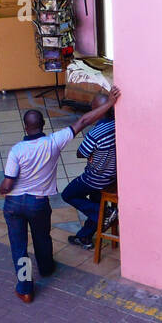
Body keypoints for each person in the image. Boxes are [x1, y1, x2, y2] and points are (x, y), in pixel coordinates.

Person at [0, 90, 119, 302]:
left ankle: (26, 288)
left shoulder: (16, 150)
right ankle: (46, 268)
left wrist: (4, 189)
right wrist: (110, 103)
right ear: (43, 124)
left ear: (25, 127)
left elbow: (7, 184)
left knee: (19, 247)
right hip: (38, 204)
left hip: (14, 204)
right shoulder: (54, 141)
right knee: (41, 237)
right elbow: (83, 121)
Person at [63, 90, 119, 250]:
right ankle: (84, 237)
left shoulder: (96, 133)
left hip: (96, 178)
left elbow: (81, 152)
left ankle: (104, 213)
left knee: (68, 194)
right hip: (113, 176)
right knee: (95, 201)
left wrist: (92, 154)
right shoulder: (118, 124)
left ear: (97, 111)